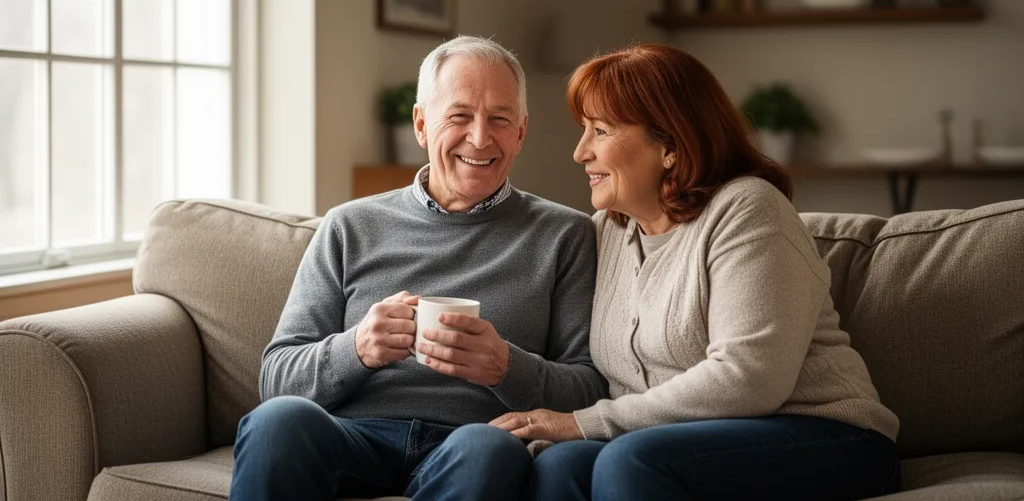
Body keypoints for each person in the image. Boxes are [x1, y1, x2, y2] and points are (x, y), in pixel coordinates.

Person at [491, 44, 901, 500]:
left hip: (824, 433)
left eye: (600, 130)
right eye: (583, 130)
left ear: (670, 144)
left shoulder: (747, 208)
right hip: (680, 441)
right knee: (560, 465)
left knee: (631, 460)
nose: (580, 151)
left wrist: (585, 423)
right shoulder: (606, 231)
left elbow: (749, 378)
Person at [228, 36, 607, 501]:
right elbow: (277, 377)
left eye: (500, 119)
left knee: (489, 448)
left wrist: (505, 367)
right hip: (353, 438)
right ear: (422, 124)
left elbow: (590, 387)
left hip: (471, 439)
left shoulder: (565, 235)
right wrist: (358, 348)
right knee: (277, 423)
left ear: (521, 133)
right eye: (459, 116)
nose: (481, 137)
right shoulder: (349, 225)